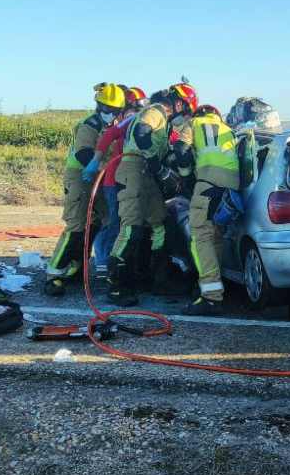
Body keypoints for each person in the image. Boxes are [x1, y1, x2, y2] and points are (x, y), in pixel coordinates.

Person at [108, 83, 198, 306]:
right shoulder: (155, 111)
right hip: (134, 171)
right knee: (131, 228)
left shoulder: (165, 123)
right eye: (185, 111)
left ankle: (159, 280)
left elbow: (166, 152)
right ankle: (117, 286)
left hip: (147, 175)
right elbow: (141, 134)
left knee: (160, 224)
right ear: (178, 104)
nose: (184, 118)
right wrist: (157, 166)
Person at [43, 83, 125, 296]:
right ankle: (54, 274)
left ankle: (77, 267)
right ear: (98, 105)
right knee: (77, 225)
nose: (111, 114)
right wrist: (99, 168)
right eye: (107, 109)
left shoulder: (114, 125)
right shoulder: (89, 124)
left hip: (99, 178)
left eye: (115, 111)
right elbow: (83, 154)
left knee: (96, 223)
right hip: (81, 176)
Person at [183, 104, 240, 316]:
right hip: (231, 189)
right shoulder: (228, 129)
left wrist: (185, 173)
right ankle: (216, 287)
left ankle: (211, 297)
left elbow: (180, 149)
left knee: (200, 237)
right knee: (215, 236)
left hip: (207, 184)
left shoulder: (194, 123)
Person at [89, 86, 148, 274]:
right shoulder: (132, 120)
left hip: (128, 180)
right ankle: (103, 259)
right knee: (116, 222)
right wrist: (95, 161)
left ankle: (114, 261)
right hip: (114, 181)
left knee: (125, 222)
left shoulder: (143, 120)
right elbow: (109, 135)